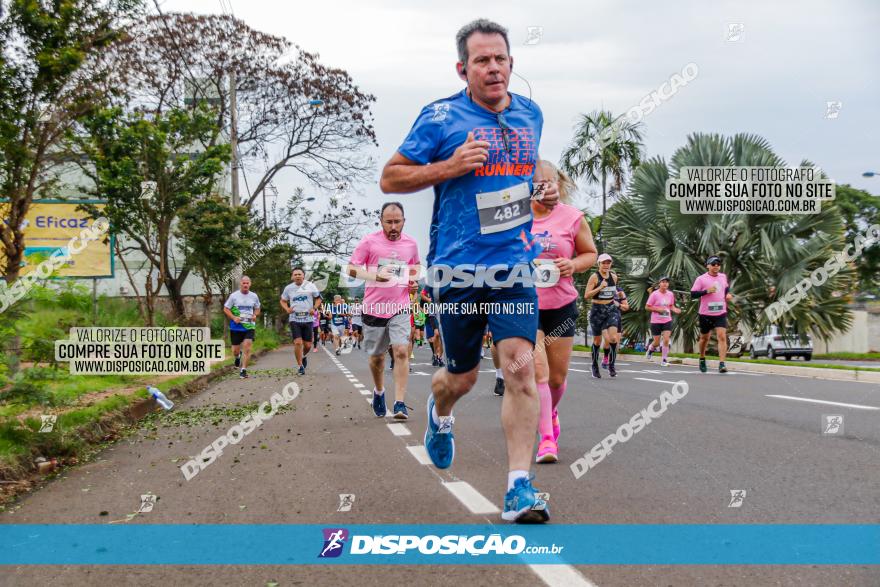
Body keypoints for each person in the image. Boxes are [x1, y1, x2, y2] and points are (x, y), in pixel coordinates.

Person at [380, 19, 558, 522]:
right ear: (463, 69)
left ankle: (519, 489)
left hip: (514, 267)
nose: (493, 67)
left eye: (500, 58)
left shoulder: (531, 115)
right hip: (457, 271)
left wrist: (540, 189)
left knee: (521, 370)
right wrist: (451, 166)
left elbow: (529, 165)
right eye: (482, 60)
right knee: (461, 377)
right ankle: (440, 415)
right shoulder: (439, 117)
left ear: (511, 63)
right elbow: (391, 177)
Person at [530, 160, 597, 463]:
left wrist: (573, 264)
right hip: (524, 304)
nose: (542, 186)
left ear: (558, 184)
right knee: (539, 372)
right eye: (536, 182)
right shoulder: (515, 218)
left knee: (557, 378)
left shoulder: (572, 217)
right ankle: (546, 439)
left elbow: (590, 254)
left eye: (548, 181)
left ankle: (551, 412)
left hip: (561, 304)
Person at [346, 202, 420, 419]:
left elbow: (415, 267)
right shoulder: (369, 242)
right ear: (381, 221)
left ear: (404, 221)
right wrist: (374, 276)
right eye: (389, 222)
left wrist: (413, 282)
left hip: (400, 306)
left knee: (401, 351)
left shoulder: (411, 244)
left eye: (397, 222)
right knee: (377, 358)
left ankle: (399, 403)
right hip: (374, 308)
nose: (393, 226)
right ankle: (379, 392)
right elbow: (351, 268)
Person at [584, 254, 628, 378]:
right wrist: (600, 287)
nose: (606, 265)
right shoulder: (594, 277)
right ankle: (594, 366)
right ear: (599, 264)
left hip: (611, 309)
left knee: (613, 338)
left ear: (611, 264)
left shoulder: (614, 277)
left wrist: (621, 299)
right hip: (597, 311)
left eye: (608, 263)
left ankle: (611, 365)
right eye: (603, 263)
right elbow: (586, 295)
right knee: (597, 341)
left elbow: (615, 292)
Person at [691, 256, 733, 373]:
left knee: (722, 336)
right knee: (704, 338)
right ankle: (702, 358)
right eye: (713, 264)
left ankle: (722, 364)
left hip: (720, 312)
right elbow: (693, 294)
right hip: (705, 314)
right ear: (708, 265)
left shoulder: (723, 276)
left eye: (718, 264)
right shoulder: (701, 279)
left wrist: (727, 295)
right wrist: (706, 291)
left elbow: (725, 289)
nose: (716, 266)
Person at [280, 267, 322, 375]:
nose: (297, 276)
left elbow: (318, 298)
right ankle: (300, 366)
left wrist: (314, 308)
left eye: (299, 274)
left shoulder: (310, 286)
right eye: (295, 274)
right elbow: (283, 300)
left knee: (308, 345)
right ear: (292, 277)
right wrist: (287, 309)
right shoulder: (288, 288)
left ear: (303, 276)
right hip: (295, 319)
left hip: (308, 319)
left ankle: (303, 356)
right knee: (298, 342)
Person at [223, 276, 261, 379]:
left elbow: (257, 309)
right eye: (243, 283)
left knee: (247, 347)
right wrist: (233, 317)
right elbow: (226, 309)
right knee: (235, 350)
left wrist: (255, 315)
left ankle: (243, 370)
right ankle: (237, 356)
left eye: (247, 283)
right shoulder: (234, 296)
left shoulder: (254, 296)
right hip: (236, 327)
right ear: (241, 284)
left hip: (249, 326)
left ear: (250, 284)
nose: (245, 285)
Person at [645, 276, 680, 367]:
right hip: (656, 321)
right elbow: (647, 307)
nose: (665, 283)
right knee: (656, 343)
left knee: (666, 340)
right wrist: (658, 310)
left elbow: (671, 305)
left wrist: (675, 309)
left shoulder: (670, 294)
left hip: (667, 320)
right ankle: (651, 349)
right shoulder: (654, 294)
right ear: (659, 284)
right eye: (663, 282)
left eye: (667, 282)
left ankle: (664, 360)